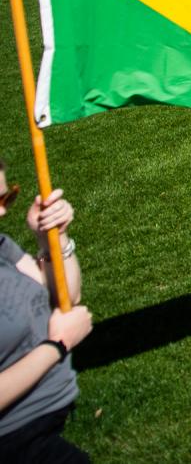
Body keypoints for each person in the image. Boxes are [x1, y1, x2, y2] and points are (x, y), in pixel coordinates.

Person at [0, 157, 92, 462]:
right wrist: (57, 346)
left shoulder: (2, 247)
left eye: (6, 197)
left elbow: (67, 295)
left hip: (51, 421)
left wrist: (52, 238)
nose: (3, 211)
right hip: (18, 440)